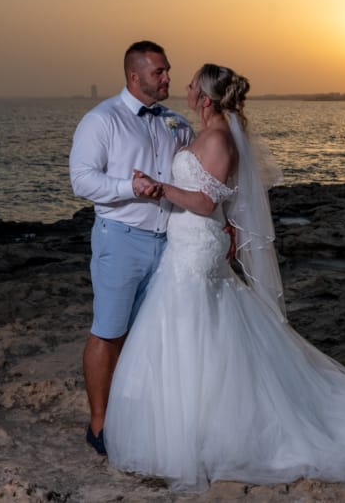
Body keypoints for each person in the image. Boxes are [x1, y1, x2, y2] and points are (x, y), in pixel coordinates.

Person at [103, 63, 345, 491]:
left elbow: (202, 201)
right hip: (187, 245)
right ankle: (190, 426)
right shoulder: (206, 134)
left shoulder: (216, 139)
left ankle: (205, 435)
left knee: (194, 330)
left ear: (207, 98)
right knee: (192, 332)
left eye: (193, 83)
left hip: (196, 247)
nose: (187, 87)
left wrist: (159, 188)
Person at [68, 40, 194, 455]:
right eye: (159, 72)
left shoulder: (174, 122)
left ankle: (140, 417)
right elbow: (82, 180)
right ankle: (100, 425)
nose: (167, 78)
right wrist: (129, 187)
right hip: (120, 239)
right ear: (134, 76)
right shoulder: (102, 120)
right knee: (108, 331)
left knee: (149, 336)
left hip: (170, 243)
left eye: (168, 70)